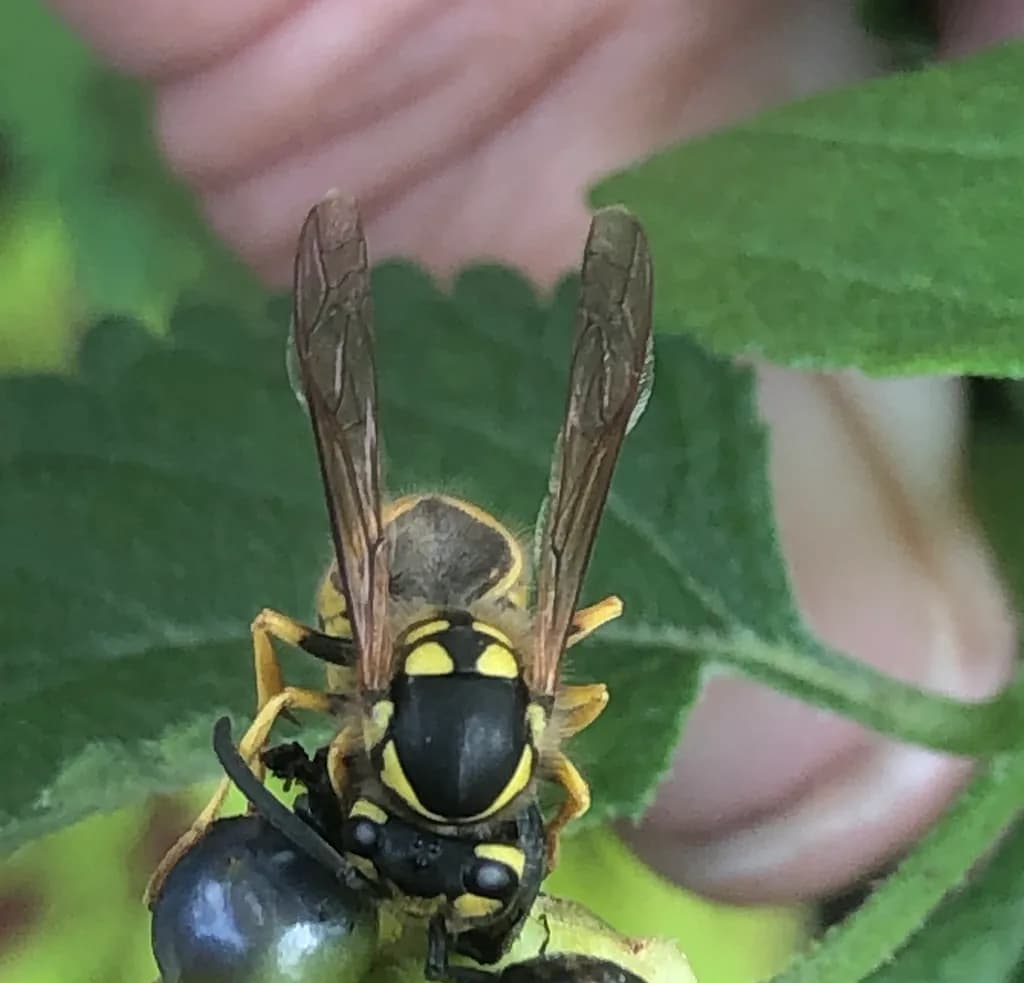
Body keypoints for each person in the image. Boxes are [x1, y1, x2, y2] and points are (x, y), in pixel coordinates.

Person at [49, 0, 1020, 904]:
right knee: (309, 618)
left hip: (443, 591)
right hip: (440, 591)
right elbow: (571, 750)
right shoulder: (436, 710)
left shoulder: (500, 709)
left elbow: (573, 748)